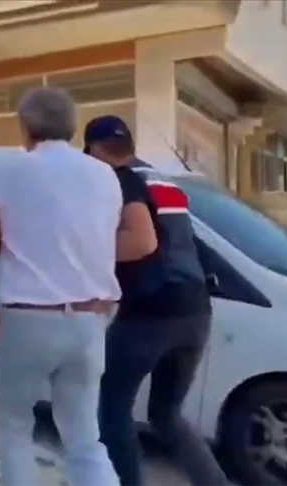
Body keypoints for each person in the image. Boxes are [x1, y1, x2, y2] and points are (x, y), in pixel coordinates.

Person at [0, 87, 122, 486]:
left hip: (27, 317)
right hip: (90, 316)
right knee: (85, 437)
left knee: (15, 426)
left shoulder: (7, 172)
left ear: (25, 127)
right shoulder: (104, 175)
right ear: (72, 127)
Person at [84, 115, 230, 486]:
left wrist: (85, 253)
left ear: (94, 150)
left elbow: (140, 242)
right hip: (195, 311)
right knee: (166, 414)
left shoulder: (116, 181)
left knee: (111, 411)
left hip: (148, 315)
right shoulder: (165, 181)